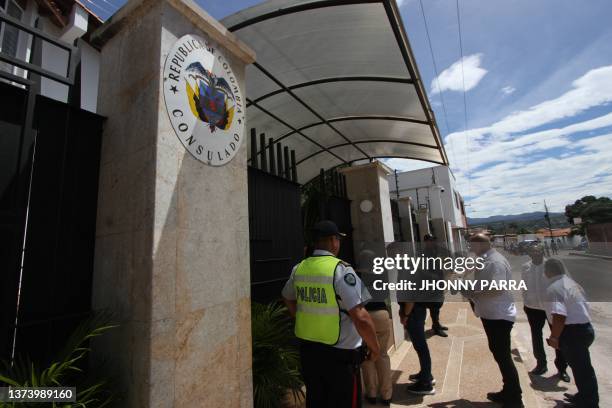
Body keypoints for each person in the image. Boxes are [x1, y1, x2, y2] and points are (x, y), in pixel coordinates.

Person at [282, 220, 381, 408]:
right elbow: (361, 318)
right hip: (340, 359)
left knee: (317, 401)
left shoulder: (299, 268)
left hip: (310, 353)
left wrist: (300, 317)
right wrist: (375, 349)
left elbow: (287, 297)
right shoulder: (340, 270)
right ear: (333, 241)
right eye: (338, 239)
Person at [463, 234, 523, 408]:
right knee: (499, 354)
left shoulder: (494, 262)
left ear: (480, 244)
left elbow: (496, 288)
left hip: (498, 316)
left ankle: (514, 398)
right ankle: (509, 391)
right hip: (492, 314)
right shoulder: (485, 259)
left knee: (503, 356)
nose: (470, 247)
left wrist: (472, 293)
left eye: (472, 244)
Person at [544, 258, 599, 408]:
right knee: (581, 367)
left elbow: (559, 316)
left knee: (582, 369)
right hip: (584, 328)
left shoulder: (554, 288)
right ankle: (583, 396)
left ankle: (589, 403)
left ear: (548, 271)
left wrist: (554, 337)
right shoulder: (572, 283)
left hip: (572, 333)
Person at [522, 244, 569, 381]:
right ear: (529, 253)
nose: (535, 253)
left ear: (543, 251)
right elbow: (524, 285)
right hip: (532, 308)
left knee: (557, 337)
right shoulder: (526, 267)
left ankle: (562, 369)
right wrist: (526, 303)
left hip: (551, 308)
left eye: (537, 251)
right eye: (532, 251)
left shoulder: (551, 266)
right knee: (536, 336)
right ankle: (541, 364)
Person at [356, 249, 393, 406]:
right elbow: (386, 294)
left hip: (365, 316)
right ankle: (386, 394)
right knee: (382, 354)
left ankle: (371, 393)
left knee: (367, 356)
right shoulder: (381, 274)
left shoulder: (355, 276)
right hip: (382, 314)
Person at [421, 234, 449, 337]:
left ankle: (437, 324)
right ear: (426, 241)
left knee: (438, 304)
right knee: (434, 305)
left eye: (434, 240)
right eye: (431, 240)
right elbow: (422, 270)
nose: (434, 242)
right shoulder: (424, 254)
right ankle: (436, 327)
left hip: (438, 281)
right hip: (431, 283)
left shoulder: (435, 251)